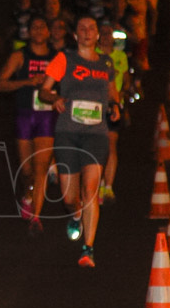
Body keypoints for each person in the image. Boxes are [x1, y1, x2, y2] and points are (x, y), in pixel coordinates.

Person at [37, 17, 122, 268]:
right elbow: (44, 89)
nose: (87, 33)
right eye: (82, 29)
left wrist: (115, 105)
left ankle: (88, 247)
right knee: (68, 196)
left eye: (92, 29)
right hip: (68, 133)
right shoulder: (65, 59)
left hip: (96, 134)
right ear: (75, 35)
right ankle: (75, 215)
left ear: (98, 35)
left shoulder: (106, 62)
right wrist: (53, 99)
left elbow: (111, 89)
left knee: (91, 189)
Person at [0, 15, 56, 235]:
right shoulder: (20, 56)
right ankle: (27, 193)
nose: (39, 30)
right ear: (29, 33)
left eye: (43, 27)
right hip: (24, 116)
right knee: (28, 171)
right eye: (35, 27)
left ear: (49, 32)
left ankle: (37, 217)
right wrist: (27, 82)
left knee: (41, 168)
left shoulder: (57, 58)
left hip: (47, 117)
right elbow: (0, 84)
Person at [98, 21, 131, 203]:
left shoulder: (120, 56)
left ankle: (108, 186)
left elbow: (126, 81)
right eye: (101, 32)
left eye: (108, 33)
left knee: (111, 144)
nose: (105, 36)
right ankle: (97, 182)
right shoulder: (92, 56)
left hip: (113, 106)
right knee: (97, 145)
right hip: (94, 105)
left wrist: (122, 103)